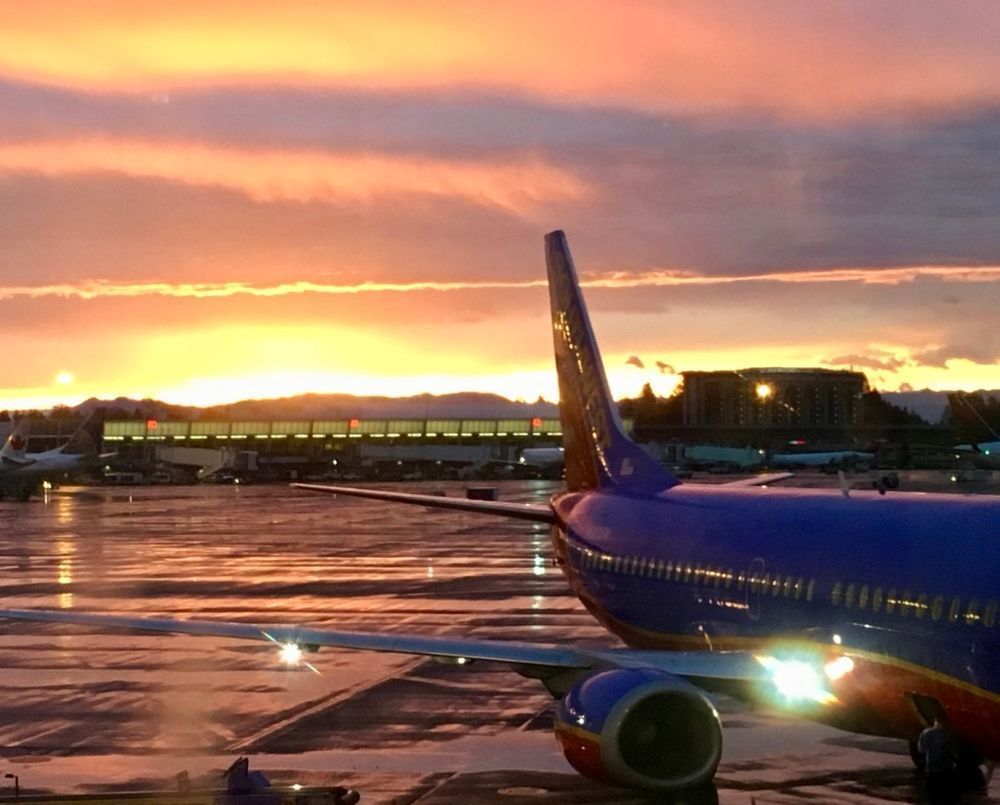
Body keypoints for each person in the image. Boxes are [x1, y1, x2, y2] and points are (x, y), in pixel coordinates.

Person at [918, 717, 957, 804]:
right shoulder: (947, 735)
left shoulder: (926, 733)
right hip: (945, 769)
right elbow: (953, 752)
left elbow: (921, 750)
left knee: (932, 795)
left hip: (930, 768)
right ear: (943, 723)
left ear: (935, 722)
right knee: (944, 795)